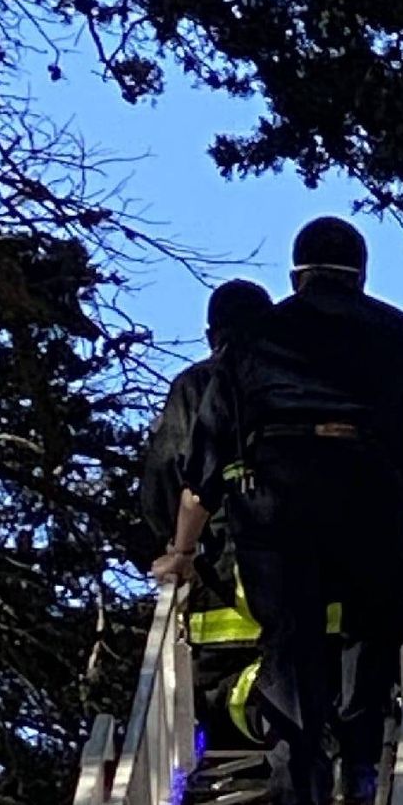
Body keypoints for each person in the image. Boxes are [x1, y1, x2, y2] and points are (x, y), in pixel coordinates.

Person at [154, 217, 403, 805]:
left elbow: (204, 464)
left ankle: (295, 803)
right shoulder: (397, 332)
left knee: (290, 643)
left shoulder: (256, 334)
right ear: (362, 275)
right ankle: (361, 768)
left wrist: (182, 550)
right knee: (371, 624)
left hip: (275, 496)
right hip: (366, 488)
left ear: (295, 275)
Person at [142, 279, 272, 744]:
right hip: (307, 590)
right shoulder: (297, 383)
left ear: (211, 334)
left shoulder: (195, 387)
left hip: (218, 589)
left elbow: (165, 478)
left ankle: (258, 719)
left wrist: (178, 546)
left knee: (218, 705)